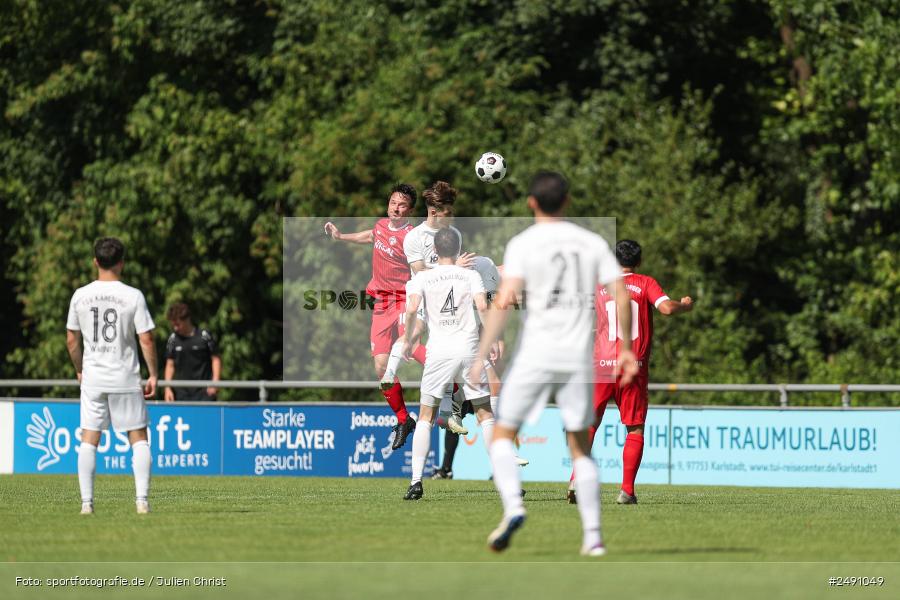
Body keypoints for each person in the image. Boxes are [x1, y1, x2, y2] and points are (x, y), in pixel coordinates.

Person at [470, 171, 638, 556]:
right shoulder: (591, 242)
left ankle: (514, 506)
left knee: (501, 436)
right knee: (581, 449)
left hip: (535, 355)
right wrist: (626, 348)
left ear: (531, 202)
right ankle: (593, 538)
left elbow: (505, 300)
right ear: (567, 201)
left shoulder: (523, 243)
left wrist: (482, 352)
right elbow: (621, 296)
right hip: (579, 359)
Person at [567, 239, 693, 505]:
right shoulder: (645, 282)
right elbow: (666, 308)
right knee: (634, 428)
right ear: (639, 261)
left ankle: (577, 479)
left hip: (600, 364)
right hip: (632, 365)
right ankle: (626, 490)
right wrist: (685, 304)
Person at [400, 227, 496, 500]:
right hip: (468, 350)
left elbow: (411, 310)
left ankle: (416, 481)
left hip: (438, 352)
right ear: (457, 249)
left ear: (435, 250)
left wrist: (407, 339)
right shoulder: (471, 274)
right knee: (485, 415)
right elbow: (483, 307)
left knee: (426, 416)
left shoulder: (423, 277)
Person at [65, 237, 158, 515]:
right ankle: (141, 501)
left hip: (94, 378)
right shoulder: (133, 295)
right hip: (125, 378)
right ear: (122, 263)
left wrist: (80, 369)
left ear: (95, 261)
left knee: (89, 439)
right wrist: (153, 374)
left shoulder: (80, 295)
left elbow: (71, 339)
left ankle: (86, 504)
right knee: (138, 438)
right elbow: (147, 339)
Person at [324, 184, 420, 450]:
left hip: (403, 300)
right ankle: (404, 419)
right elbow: (371, 236)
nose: (396, 208)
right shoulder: (380, 226)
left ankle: (454, 390)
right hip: (381, 304)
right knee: (380, 367)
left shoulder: (412, 237)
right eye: (392, 203)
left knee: (409, 345)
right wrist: (341, 236)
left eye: (401, 205)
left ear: (410, 211)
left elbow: (422, 267)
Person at [163, 302, 221, 401]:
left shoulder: (204, 336)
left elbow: (215, 359)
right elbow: (170, 364)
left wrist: (215, 381)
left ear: (187, 319)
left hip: (204, 392)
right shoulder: (172, 339)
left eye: (178, 324)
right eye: (173, 325)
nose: (175, 328)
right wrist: (167, 388)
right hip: (181, 393)